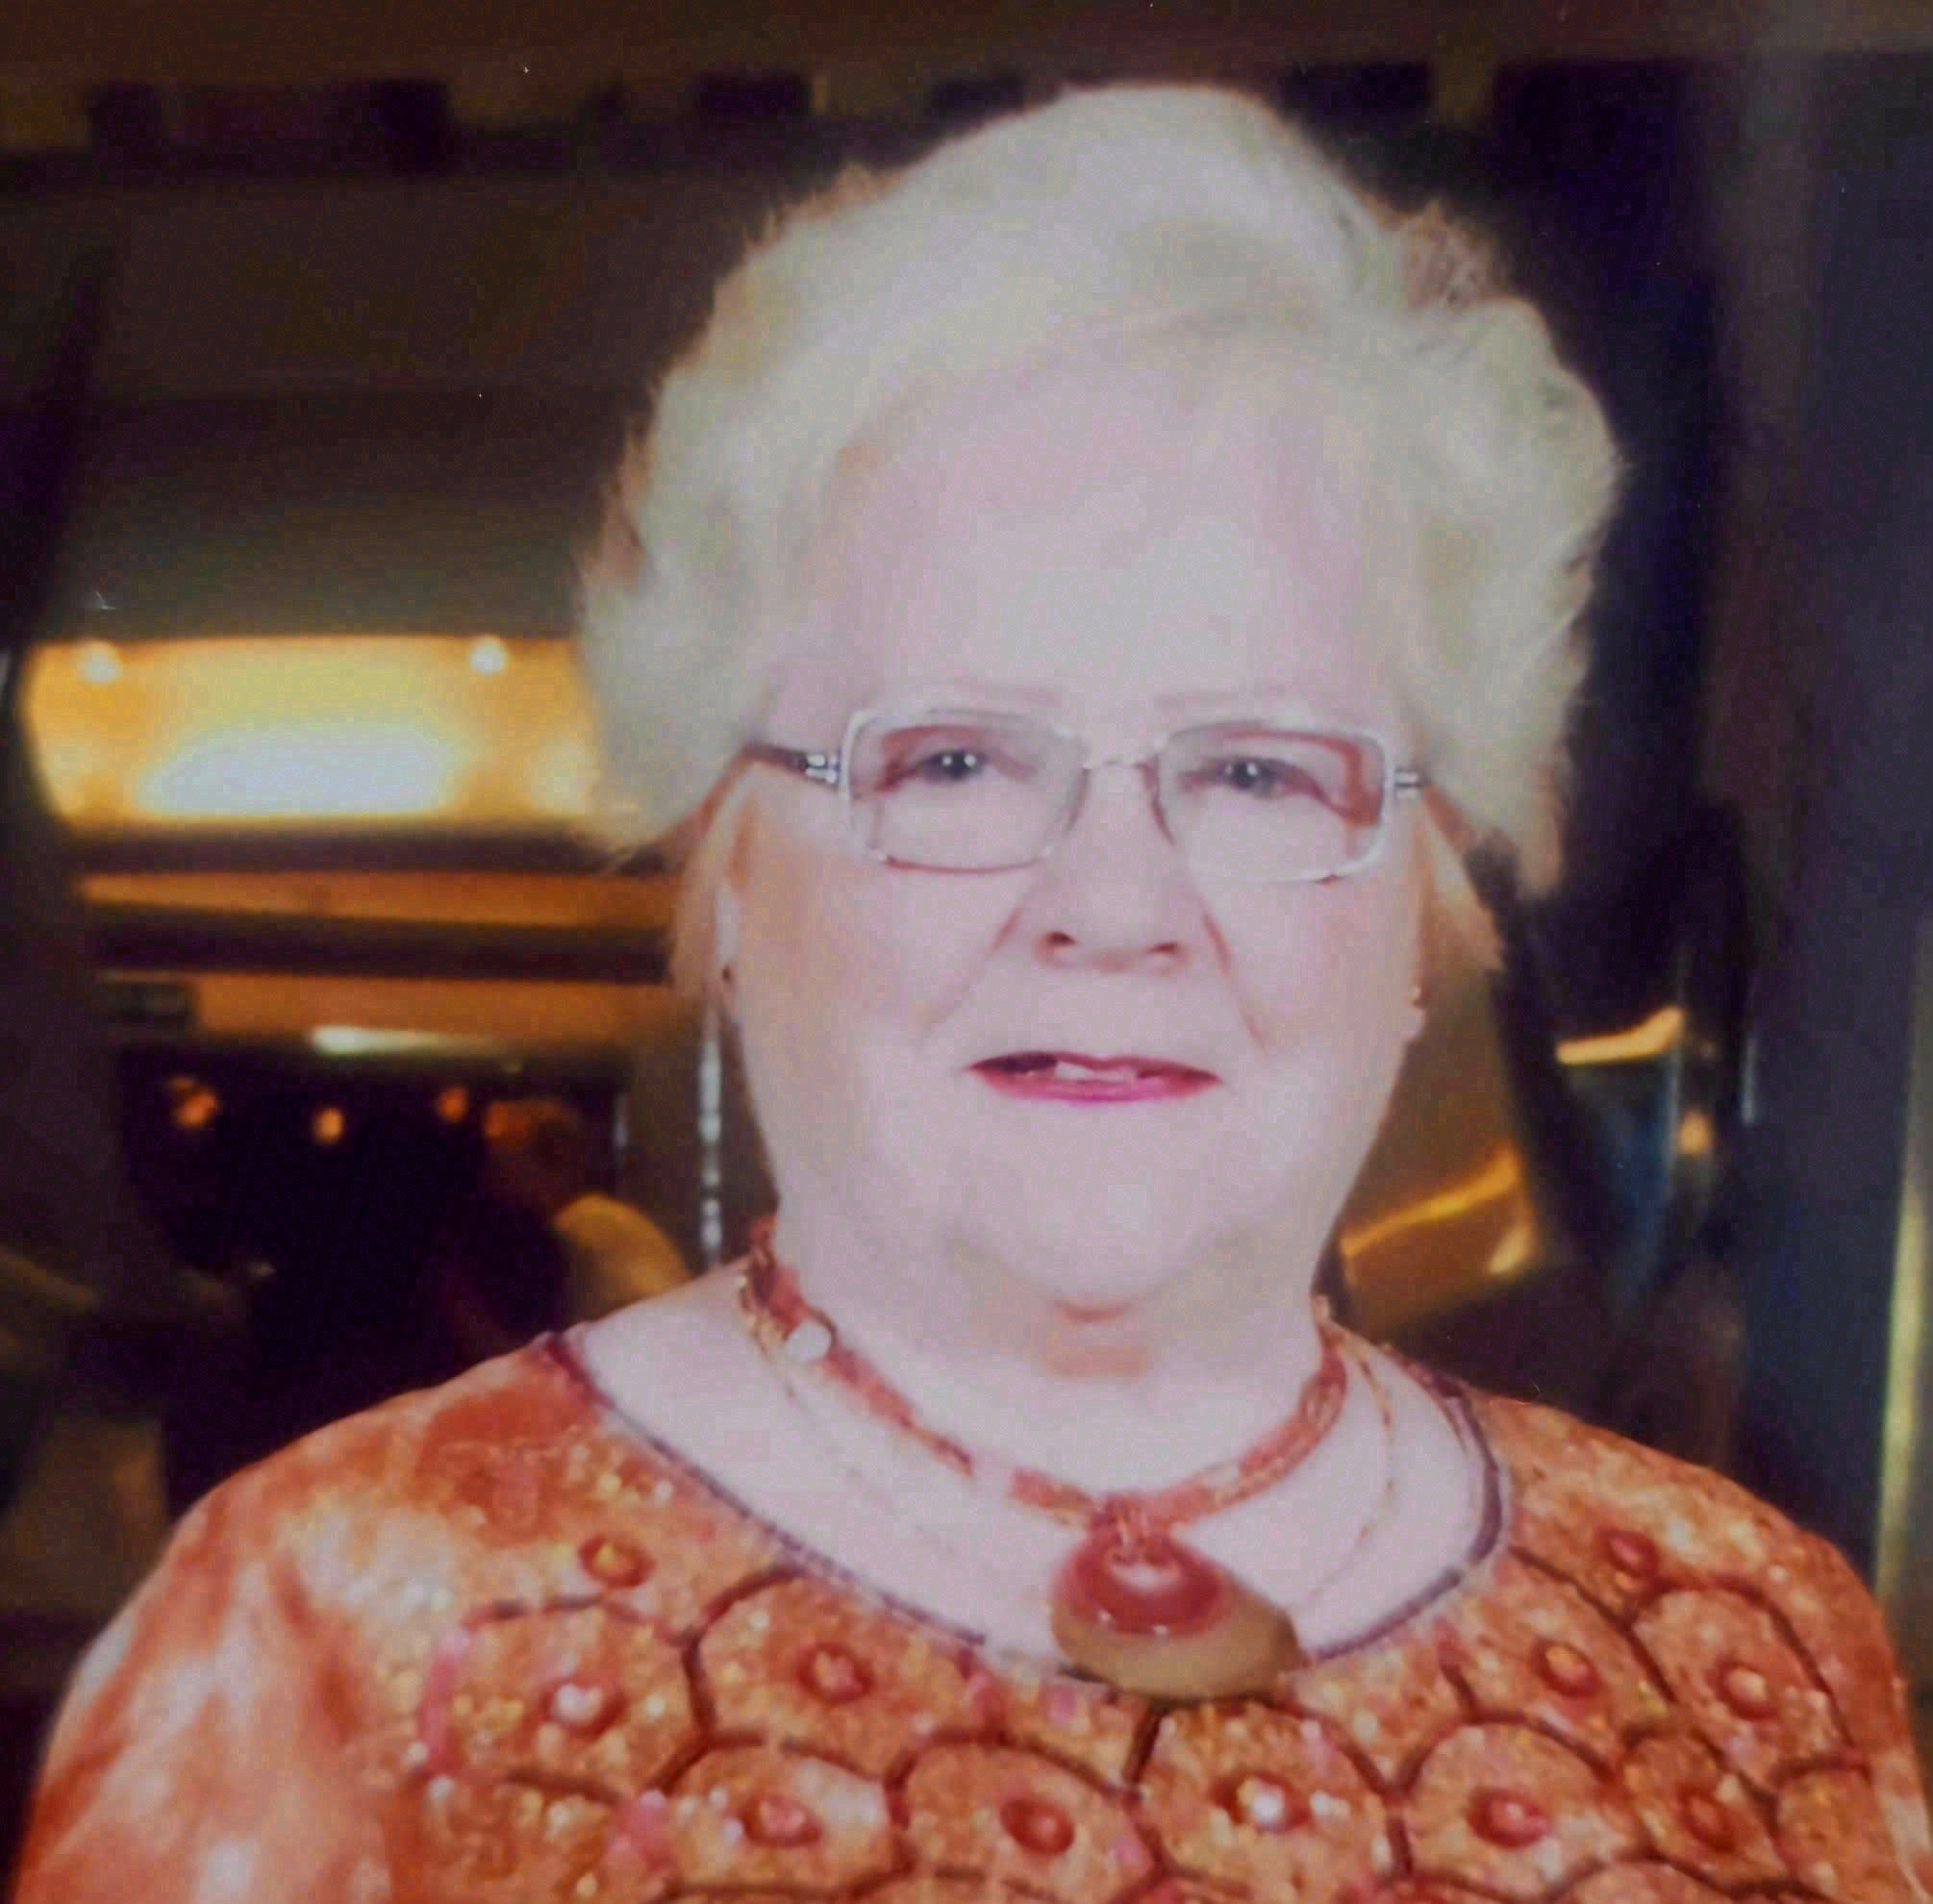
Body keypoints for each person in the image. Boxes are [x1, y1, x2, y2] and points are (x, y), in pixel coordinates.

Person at [16, 86, 1932, 1903]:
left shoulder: (1751, 1635)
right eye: (952, 763)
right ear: (727, 868)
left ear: (1423, 905)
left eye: (1258, 773)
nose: (1115, 906)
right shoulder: (322, 1637)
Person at [483, 1096, 690, 1321]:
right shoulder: (589, 1223)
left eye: (503, 1162)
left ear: (556, 1156)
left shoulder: (589, 1228)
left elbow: (648, 1318)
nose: (492, 1179)